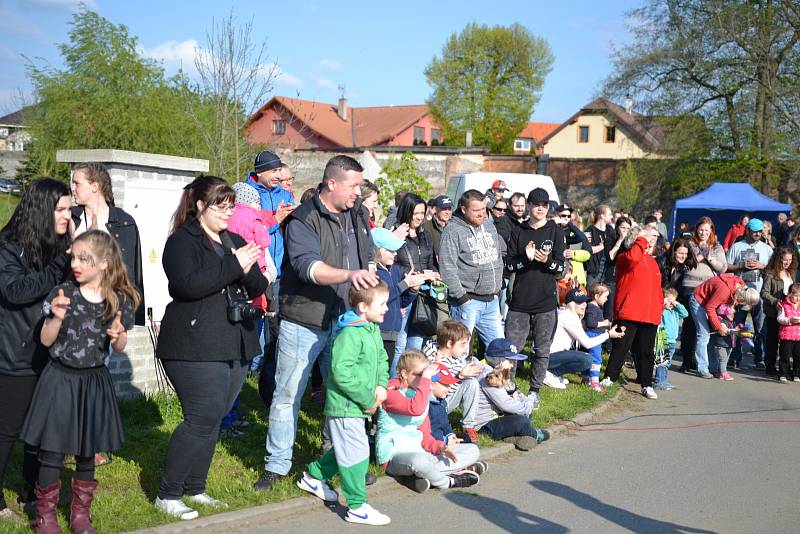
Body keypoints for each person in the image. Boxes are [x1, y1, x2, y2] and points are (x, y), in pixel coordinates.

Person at [256, 155, 378, 491]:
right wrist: (350, 274)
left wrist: (369, 267)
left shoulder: (357, 215)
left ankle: (336, 459)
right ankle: (276, 465)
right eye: (354, 186)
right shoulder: (302, 219)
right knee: (288, 394)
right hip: (304, 320)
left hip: (345, 319)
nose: (359, 192)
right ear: (332, 183)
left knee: (342, 395)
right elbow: (307, 267)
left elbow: (367, 253)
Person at [154, 176, 268, 520]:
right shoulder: (181, 242)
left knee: (213, 419)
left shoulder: (232, 238)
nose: (228, 212)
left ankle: (196, 488)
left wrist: (245, 267)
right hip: (192, 343)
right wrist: (234, 265)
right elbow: (188, 286)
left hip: (233, 341)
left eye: (231, 205)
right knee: (200, 418)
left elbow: (259, 284)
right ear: (201, 205)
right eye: (221, 205)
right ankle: (168, 494)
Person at [22, 231, 139, 533]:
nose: (75, 263)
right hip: (59, 380)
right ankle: (46, 517)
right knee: (52, 451)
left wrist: (119, 336)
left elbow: (120, 346)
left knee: (87, 452)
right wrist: (56, 318)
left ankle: (80, 516)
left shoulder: (118, 300)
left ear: (104, 263)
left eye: (83, 258)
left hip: (93, 382)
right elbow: (46, 341)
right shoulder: (63, 293)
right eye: (73, 256)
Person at [0, 179, 72, 522]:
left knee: (39, 430)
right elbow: (16, 290)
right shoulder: (8, 247)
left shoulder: (58, 245)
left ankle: (31, 493)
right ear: (41, 210)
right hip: (15, 354)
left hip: (51, 353)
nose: (66, 215)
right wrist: (60, 266)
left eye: (69, 208)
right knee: (7, 430)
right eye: (60, 209)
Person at [297, 282, 391, 526]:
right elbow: (340, 373)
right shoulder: (350, 333)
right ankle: (357, 506)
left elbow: (382, 357)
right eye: (381, 304)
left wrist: (381, 386)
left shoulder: (370, 328)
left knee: (346, 450)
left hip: (358, 405)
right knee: (357, 453)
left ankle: (313, 476)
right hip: (346, 405)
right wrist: (368, 398)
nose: (386, 309)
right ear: (363, 306)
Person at [377, 350, 481, 493]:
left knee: (472, 450)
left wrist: (441, 448)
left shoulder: (420, 393)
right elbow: (415, 409)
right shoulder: (390, 391)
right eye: (419, 374)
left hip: (420, 452)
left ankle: (421, 477)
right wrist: (426, 378)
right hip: (394, 456)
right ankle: (448, 480)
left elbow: (425, 436)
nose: (424, 379)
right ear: (403, 374)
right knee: (419, 462)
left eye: (425, 374)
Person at [504, 188, 566, 403]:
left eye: (545, 205)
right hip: (519, 301)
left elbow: (560, 268)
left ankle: (535, 390)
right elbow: (509, 264)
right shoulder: (518, 230)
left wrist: (546, 261)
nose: (541, 208)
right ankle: (508, 390)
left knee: (541, 350)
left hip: (546, 302)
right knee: (511, 349)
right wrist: (525, 258)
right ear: (528, 206)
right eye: (537, 204)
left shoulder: (556, 231)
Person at [70, 162, 145, 325]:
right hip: (75, 312)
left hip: (111, 312)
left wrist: (131, 316)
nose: (72, 188)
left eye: (77, 183)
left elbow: (130, 274)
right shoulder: (70, 219)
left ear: (95, 187)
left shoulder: (124, 223)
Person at [600, 225, 664, 400]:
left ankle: (646, 384)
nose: (651, 239)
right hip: (629, 311)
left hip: (649, 314)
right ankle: (609, 378)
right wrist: (641, 240)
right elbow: (634, 257)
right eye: (646, 237)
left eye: (653, 237)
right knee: (621, 347)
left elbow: (657, 289)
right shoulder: (625, 257)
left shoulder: (652, 262)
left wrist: (658, 309)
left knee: (646, 351)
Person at [439, 189, 505, 346]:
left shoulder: (489, 226)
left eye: (483, 209)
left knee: (501, 352)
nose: (482, 214)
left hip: (491, 300)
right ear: (464, 209)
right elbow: (447, 267)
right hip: (467, 302)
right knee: (458, 352)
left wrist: (496, 290)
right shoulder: (453, 231)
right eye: (476, 210)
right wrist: (462, 298)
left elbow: (497, 257)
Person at [475, 340, 550, 451]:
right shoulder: (488, 376)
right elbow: (506, 405)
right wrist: (528, 406)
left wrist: (524, 401)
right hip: (484, 426)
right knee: (522, 421)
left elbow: (515, 392)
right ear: (498, 361)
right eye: (509, 361)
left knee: (523, 414)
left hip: (496, 419)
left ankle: (513, 437)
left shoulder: (497, 371)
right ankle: (535, 435)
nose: (511, 365)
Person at [372, 228, 425, 375]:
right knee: (375, 371)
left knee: (385, 371)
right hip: (378, 331)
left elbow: (400, 302)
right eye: (390, 250)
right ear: (377, 250)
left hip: (393, 332)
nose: (395, 254)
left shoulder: (394, 270)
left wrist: (413, 290)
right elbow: (382, 298)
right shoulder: (373, 271)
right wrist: (405, 284)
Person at [391, 193, 439, 359]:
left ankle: (410, 382)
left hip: (422, 294)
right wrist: (412, 276)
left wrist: (432, 274)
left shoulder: (425, 234)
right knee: (400, 342)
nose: (420, 217)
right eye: (416, 213)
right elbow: (389, 264)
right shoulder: (396, 234)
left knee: (416, 343)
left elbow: (430, 261)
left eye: (422, 213)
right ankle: (394, 381)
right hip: (404, 293)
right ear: (406, 211)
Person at [551, 288, 625, 392]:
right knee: (586, 359)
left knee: (582, 357)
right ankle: (549, 373)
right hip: (547, 357)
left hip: (545, 356)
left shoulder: (565, 314)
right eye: (580, 302)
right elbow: (587, 343)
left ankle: (553, 373)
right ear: (572, 304)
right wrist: (608, 334)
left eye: (585, 302)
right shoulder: (569, 317)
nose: (584, 305)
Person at [679, 218, 726, 373]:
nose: (703, 233)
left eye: (707, 230)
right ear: (696, 229)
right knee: (690, 326)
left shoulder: (717, 246)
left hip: (709, 289)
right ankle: (687, 360)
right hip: (690, 287)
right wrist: (701, 255)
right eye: (701, 229)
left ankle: (701, 360)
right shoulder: (689, 244)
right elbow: (684, 264)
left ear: (711, 230)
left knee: (705, 327)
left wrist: (710, 258)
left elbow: (723, 268)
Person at [690, 273, 759, 379]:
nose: (741, 305)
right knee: (704, 335)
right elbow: (710, 307)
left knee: (713, 337)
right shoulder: (724, 290)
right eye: (743, 303)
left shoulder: (741, 287)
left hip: (711, 303)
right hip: (699, 301)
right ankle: (702, 369)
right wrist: (718, 327)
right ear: (742, 297)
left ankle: (713, 368)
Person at [726, 218, 773, 370]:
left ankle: (760, 358)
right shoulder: (737, 246)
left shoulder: (766, 249)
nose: (758, 234)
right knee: (736, 327)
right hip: (740, 295)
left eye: (760, 231)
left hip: (759, 294)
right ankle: (734, 358)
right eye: (755, 231)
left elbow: (773, 270)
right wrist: (741, 265)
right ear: (748, 230)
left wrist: (762, 266)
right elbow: (726, 267)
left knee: (760, 328)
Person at [429, 320, 482, 443]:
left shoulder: (458, 360)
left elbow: (446, 390)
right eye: (462, 344)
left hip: (445, 399)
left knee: (472, 383)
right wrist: (459, 376)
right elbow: (437, 389)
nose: (465, 349)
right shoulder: (430, 354)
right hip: (431, 403)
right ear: (449, 343)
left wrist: (461, 376)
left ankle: (468, 426)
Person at [761, 247, 798, 374]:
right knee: (772, 341)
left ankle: (785, 369)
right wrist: (776, 301)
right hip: (773, 313)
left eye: (790, 259)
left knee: (786, 343)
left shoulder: (791, 273)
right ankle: (770, 367)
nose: (787, 262)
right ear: (778, 259)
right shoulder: (770, 273)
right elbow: (764, 293)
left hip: (789, 314)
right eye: (784, 260)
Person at [655, 288, 688, 390]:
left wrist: (676, 304)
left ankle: (663, 380)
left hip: (672, 340)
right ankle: (659, 381)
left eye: (672, 300)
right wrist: (662, 303)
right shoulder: (662, 310)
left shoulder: (675, 311)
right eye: (668, 300)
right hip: (662, 338)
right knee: (662, 361)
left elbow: (685, 313)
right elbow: (656, 311)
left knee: (667, 362)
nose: (670, 303)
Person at [586, 205, 615, 288]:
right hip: (594, 273)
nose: (612, 216)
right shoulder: (589, 230)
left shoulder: (610, 229)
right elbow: (587, 249)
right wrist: (602, 246)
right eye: (609, 214)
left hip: (607, 274)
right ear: (602, 216)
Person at [777, 283, 800, 382]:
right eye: (796, 295)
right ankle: (782, 374)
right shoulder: (783, 305)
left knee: (798, 356)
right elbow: (779, 318)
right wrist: (789, 320)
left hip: (798, 336)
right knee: (785, 356)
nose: (798, 298)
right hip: (786, 335)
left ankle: (796, 374)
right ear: (790, 294)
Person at [710, 304, 737, 382]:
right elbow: (725, 330)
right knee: (723, 359)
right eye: (731, 313)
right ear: (725, 313)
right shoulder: (722, 322)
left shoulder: (732, 322)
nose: (733, 314)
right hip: (721, 344)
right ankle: (723, 373)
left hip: (728, 344)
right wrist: (734, 330)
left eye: (733, 313)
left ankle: (720, 371)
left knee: (725, 359)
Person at [421, 195, 452, 263]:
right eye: (444, 209)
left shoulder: (453, 226)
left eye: (449, 209)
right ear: (435, 209)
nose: (447, 212)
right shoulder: (426, 226)